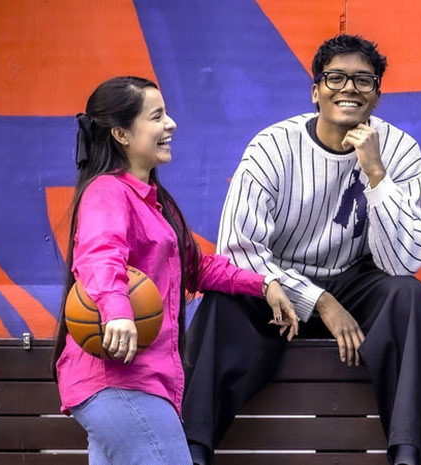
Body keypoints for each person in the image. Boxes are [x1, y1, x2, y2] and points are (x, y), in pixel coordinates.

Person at [181, 35, 421, 465]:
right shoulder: (272, 146)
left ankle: (406, 455)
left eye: (363, 80)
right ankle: (192, 452)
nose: (349, 88)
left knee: (410, 298)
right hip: (277, 287)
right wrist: (320, 302)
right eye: (335, 78)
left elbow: (405, 261)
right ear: (315, 91)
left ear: (377, 94)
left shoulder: (399, 150)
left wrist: (376, 174)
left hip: (355, 283)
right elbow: (238, 251)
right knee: (221, 302)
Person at [54, 76, 294, 464]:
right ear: (121, 134)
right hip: (120, 383)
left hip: (136, 385)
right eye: (157, 116)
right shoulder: (107, 192)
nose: (171, 124)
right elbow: (100, 255)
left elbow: (195, 268)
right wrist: (117, 313)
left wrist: (264, 284)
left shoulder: (154, 202)